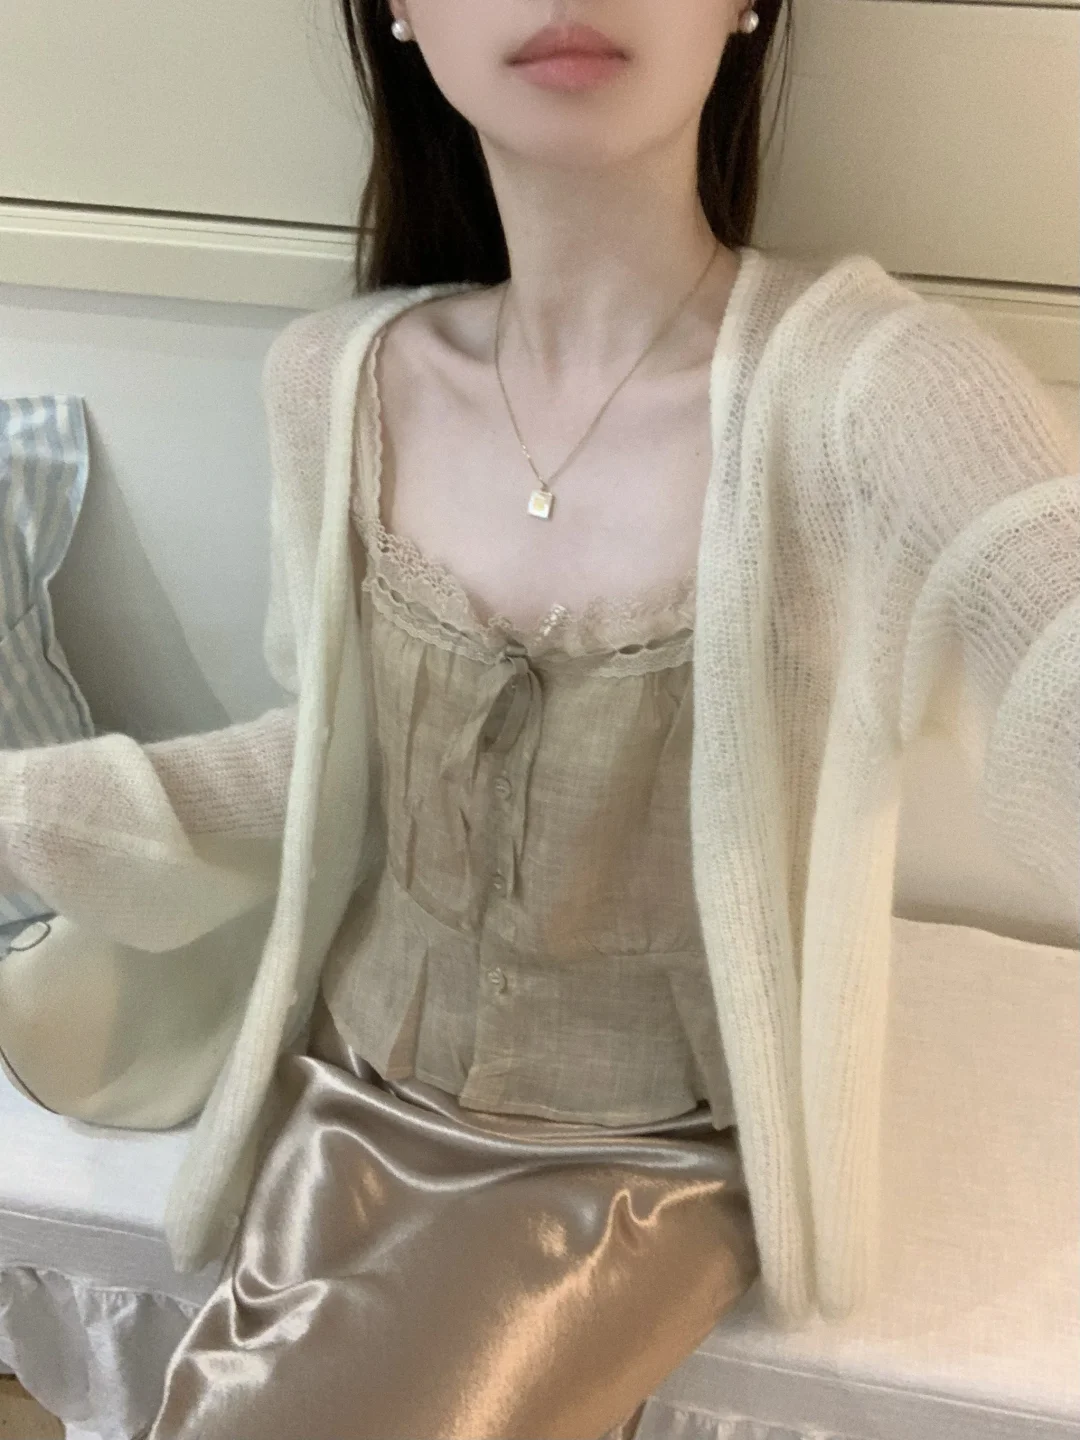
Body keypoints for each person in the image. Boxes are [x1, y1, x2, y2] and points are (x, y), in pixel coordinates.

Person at [1, 1, 1077, 1437]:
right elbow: (329, 771)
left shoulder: (868, 392)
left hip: (635, 1165)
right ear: (398, 10)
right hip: (348, 1091)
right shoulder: (336, 380)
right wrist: (33, 813)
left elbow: (1049, 619)